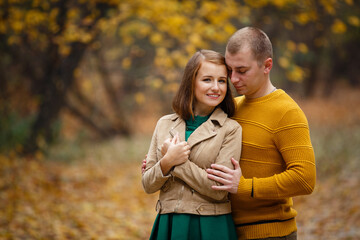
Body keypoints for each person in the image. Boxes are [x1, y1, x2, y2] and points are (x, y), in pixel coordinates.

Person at [206, 27, 316, 240]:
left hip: (270, 233)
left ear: (267, 66)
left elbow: (305, 179)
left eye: (242, 70)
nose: (233, 78)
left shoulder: (286, 112)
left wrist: (246, 186)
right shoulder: (231, 107)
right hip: (226, 230)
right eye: (229, 70)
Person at [142, 49, 242, 240]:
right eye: (207, 80)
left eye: (221, 80)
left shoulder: (230, 129)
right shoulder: (164, 124)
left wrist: (175, 162)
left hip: (211, 225)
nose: (216, 87)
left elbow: (219, 189)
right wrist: (165, 163)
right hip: (169, 223)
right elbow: (147, 184)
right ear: (191, 82)